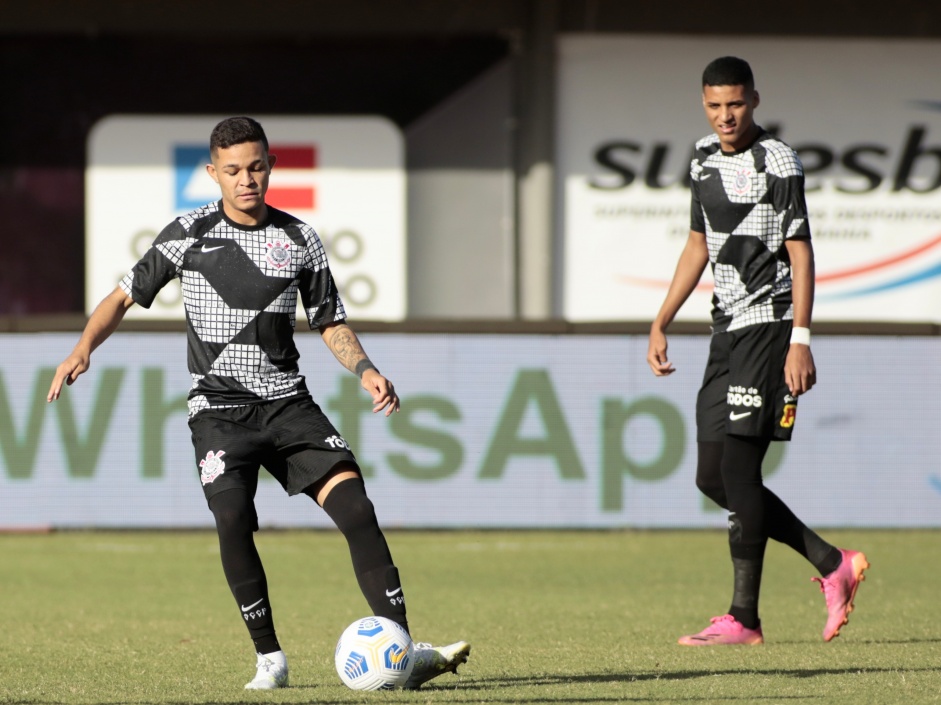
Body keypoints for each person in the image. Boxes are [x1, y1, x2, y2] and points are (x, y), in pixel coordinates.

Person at [47, 116, 470, 688]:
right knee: (232, 519)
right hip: (220, 411)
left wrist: (365, 368)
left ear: (270, 165)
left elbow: (331, 322)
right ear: (212, 173)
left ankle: (402, 649)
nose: (246, 179)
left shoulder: (300, 238)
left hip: (290, 407)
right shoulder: (186, 234)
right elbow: (123, 296)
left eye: (256, 167)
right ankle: (270, 658)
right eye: (233, 170)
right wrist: (82, 347)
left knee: (358, 510)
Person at [646, 57, 869, 646]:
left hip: (770, 330)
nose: (726, 116)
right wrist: (661, 319)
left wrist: (801, 338)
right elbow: (699, 243)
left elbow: (801, 252)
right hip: (725, 332)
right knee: (712, 476)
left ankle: (743, 618)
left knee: (740, 472)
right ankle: (831, 562)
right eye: (716, 105)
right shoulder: (699, 159)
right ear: (703, 103)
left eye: (736, 104)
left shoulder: (778, 161)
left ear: (755, 100)